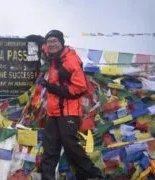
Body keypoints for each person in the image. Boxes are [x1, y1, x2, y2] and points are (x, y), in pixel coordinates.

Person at [37, 30, 103, 179]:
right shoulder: (54, 57)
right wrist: (39, 41)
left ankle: (92, 175)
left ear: (62, 42)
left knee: (71, 146)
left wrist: (55, 88)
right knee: (50, 148)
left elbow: (81, 87)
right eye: (49, 42)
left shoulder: (70, 60)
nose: (51, 44)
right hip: (53, 113)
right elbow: (45, 50)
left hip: (68, 113)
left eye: (55, 41)